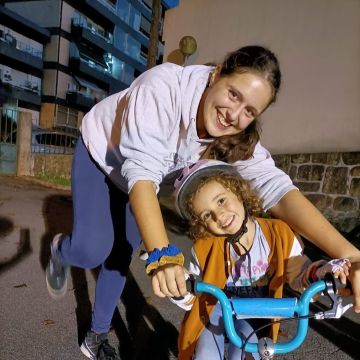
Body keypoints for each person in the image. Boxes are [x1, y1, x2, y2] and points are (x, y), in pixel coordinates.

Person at [44, 45, 360, 359]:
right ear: (217, 73)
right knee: (92, 249)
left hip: (144, 179)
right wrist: (163, 255)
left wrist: (349, 254)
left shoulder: (234, 133)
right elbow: (141, 173)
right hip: (103, 156)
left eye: (250, 111)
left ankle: (96, 335)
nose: (234, 115)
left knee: (120, 254)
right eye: (234, 95)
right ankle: (62, 249)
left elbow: (276, 187)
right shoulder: (165, 88)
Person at [171, 159, 351, 360]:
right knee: (205, 354)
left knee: (248, 350)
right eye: (206, 215)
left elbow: (298, 270)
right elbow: (193, 293)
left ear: (238, 191)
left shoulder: (279, 234)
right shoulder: (204, 248)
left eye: (221, 201)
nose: (219, 216)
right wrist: (179, 286)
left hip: (256, 311)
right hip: (217, 308)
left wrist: (320, 273)